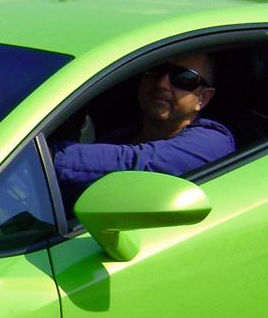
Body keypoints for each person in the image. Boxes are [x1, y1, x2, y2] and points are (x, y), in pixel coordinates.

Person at [49, 52, 235, 205]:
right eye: (156, 70)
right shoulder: (118, 138)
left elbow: (137, 162)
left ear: (203, 98)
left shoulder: (213, 142)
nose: (162, 84)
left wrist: (46, 158)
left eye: (183, 78)